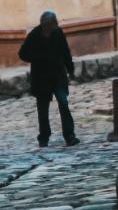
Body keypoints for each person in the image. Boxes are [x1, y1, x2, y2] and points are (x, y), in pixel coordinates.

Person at [18, 10, 79, 148]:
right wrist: (38, 58)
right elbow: (22, 54)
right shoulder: (34, 35)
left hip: (57, 75)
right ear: (46, 25)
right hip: (41, 78)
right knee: (43, 110)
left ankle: (69, 136)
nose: (54, 27)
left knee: (63, 103)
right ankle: (44, 138)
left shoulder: (58, 33)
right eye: (52, 25)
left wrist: (71, 70)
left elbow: (65, 51)